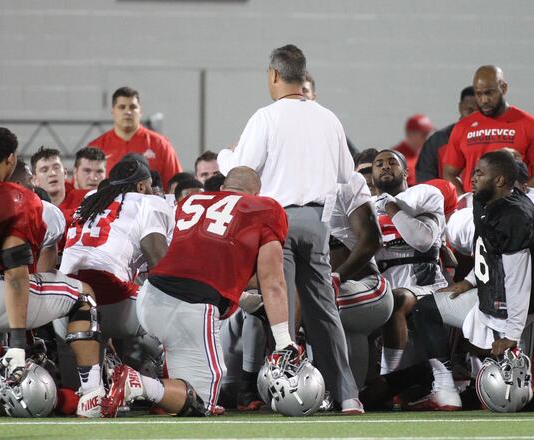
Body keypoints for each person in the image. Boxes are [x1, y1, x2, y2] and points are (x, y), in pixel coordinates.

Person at [216, 44, 361, 414]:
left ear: (274, 75)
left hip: (276, 219)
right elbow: (347, 175)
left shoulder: (266, 117)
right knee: (324, 313)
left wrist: (224, 157)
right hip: (319, 222)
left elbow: (240, 175)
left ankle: (290, 394)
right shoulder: (329, 118)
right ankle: (348, 396)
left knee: (284, 313)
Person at [102, 166, 294, 417]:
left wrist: (243, 299)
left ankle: (161, 395)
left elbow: (201, 259)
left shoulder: (191, 200)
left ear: (223, 189)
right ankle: (136, 383)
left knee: (185, 395)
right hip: (191, 305)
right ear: (256, 193)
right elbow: (272, 280)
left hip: (150, 295)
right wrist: (284, 341)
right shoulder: (265, 208)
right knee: (202, 402)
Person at [412, 150, 534, 410]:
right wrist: (470, 280)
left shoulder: (513, 215)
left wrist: (512, 332)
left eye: (479, 173)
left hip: (522, 310)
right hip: (490, 297)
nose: (471, 177)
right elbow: (489, 251)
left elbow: (519, 279)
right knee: (425, 308)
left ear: (499, 181)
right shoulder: (485, 201)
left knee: (518, 397)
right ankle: (445, 388)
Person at [0, 127, 106, 417]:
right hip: (4, 292)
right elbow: (17, 275)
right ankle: (91, 394)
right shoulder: (22, 199)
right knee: (84, 294)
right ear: (11, 159)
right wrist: (20, 342)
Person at [61, 159, 173, 340]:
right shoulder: (148, 202)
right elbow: (158, 258)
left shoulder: (90, 200)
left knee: (78, 365)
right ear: (141, 186)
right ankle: (157, 365)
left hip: (64, 299)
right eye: (150, 186)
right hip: (109, 300)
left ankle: (103, 365)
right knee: (180, 310)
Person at [370, 150, 447, 377]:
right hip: (382, 283)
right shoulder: (366, 209)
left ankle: (388, 377)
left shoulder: (424, 196)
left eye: (392, 162)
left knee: (396, 299)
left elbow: (422, 241)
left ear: (405, 171)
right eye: (379, 164)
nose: (385, 166)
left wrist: (391, 208)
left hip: (424, 284)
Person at [328, 170, 391, 387]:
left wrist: (337, 277)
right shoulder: (284, 187)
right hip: (320, 288)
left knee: (318, 302)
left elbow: (372, 239)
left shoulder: (346, 181)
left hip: (366, 285)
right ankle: (241, 387)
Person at [443, 65, 534, 192]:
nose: (484, 100)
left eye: (489, 93)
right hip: (474, 207)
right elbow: (449, 173)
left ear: (503, 88)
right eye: (479, 94)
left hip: (515, 208)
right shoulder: (463, 127)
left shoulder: (530, 125)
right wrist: (462, 200)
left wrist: (521, 195)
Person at [87, 86, 183, 186]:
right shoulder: (96, 147)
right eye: (122, 107)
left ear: (140, 111)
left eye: (133, 107)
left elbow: (177, 186)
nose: (127, 112)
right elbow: (82, 186)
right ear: (113, 111)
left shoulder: (161, 145)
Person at [415, 86, 478, 183]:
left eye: (479, 112)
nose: (473, 115)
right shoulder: (437, 141)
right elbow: (425, 182)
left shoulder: (492, 138)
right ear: (460, 107)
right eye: (469, 110)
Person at [301, 72, 359, 157]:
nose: (301, 95)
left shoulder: (329, 124)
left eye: (305, 91)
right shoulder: (281, 122)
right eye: (297, 92)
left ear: (314, 96)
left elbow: (355, 156)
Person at [30, 147, 90, 222]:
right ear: (35, 180)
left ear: (65, 173)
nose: (52, 173)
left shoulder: (86, 200)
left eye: (56, 168)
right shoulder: (31, 210)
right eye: (44, 170)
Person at [394, 114, 434, 186]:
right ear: (410, 133)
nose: (427, 138)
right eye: (424, 134)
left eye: (429, 134)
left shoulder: (426, 154)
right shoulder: (397, 157)